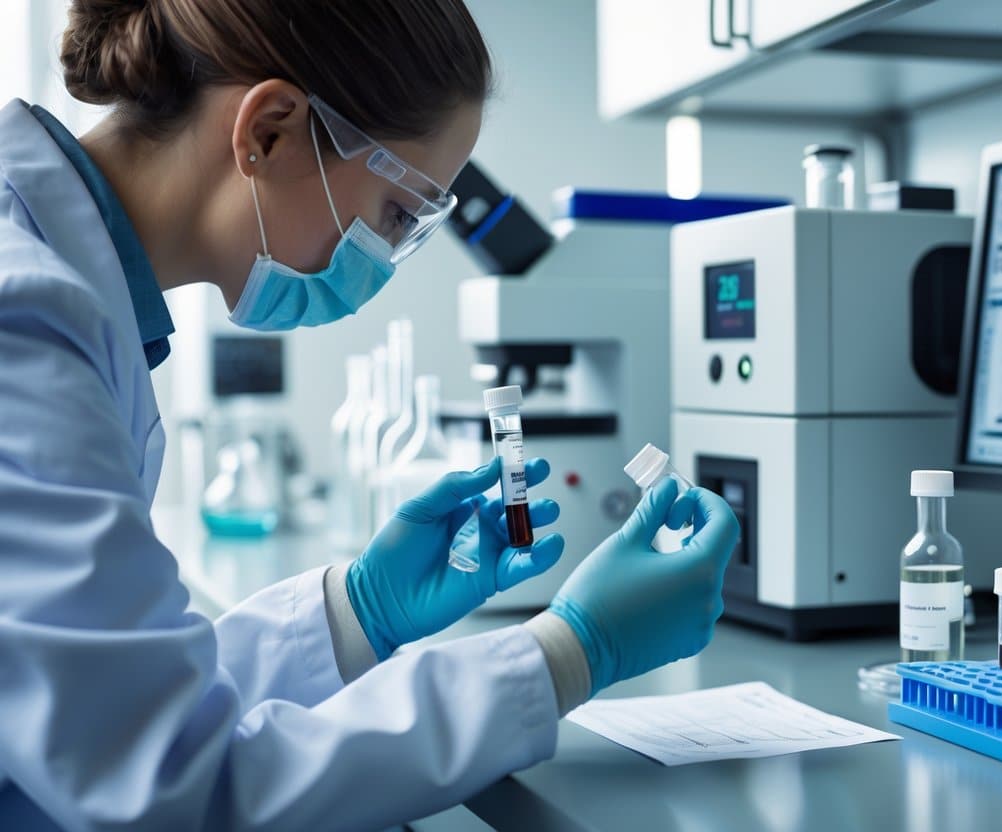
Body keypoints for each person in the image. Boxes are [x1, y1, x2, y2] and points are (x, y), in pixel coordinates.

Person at [0, 1, 740, 829]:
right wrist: (569, 652)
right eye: (397, 214)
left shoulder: (65, 300)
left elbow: (108, 704)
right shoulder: (22, 323)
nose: (381, 261)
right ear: (270, 131)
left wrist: (359, 611)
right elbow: (173, 790)